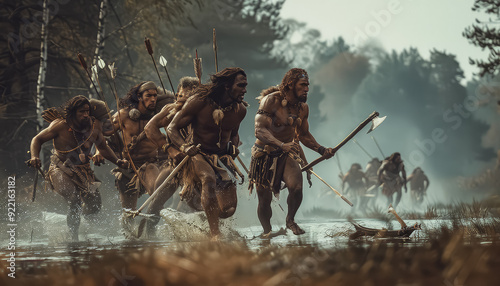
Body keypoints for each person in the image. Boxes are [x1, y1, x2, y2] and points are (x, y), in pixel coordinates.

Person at [28, 95, 128, 241]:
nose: (86, 115)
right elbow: (37, 139)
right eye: (82, 112)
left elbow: (103, 148)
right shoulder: (59, 125)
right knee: (74, 199)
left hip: (84, 171)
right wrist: (34, 156)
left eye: (87, 111)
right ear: (73, 112)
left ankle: (82, 225)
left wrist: (118, 161)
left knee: (95, 205)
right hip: (60, 168)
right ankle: (74, 238)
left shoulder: (94, 127)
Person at [248, 68, 335, 236]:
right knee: (264, 200)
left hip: (286, 155)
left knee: (296, 188)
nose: (307, 89)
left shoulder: (303, 108)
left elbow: (303, 135)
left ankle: (290, 220)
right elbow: (259, 130)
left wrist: (322, 150)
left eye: (308, 85)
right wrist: (280, 144)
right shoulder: (271, 101)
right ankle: (267, 232)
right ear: (290, 84)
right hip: (264, 154)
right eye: (303, 85)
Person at [166, 68, 247, 239]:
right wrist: (185, 147)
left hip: (222, 158)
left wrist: (233, 145)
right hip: (197, 153)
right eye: (241, 85)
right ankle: (215, 234)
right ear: (226, 86)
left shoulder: (240, 110)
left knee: (228, 210)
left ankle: (204, 217)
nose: (245, 90)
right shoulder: (199, 101)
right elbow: (171, 128)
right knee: (208, 178)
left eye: (245, 86)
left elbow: (233, 133)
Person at [102, 81, 170, 237]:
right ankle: (129, 239)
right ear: (139, 97)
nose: (153, 99)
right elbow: (104, 133)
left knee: (156, 194)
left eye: (155, 96)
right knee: (128, 212)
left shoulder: (158, 117)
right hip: (127, 167)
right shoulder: (123, 115)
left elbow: (175, 128)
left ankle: (150, 231)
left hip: (150, 164)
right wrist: (99, 150)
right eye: (148, 96)